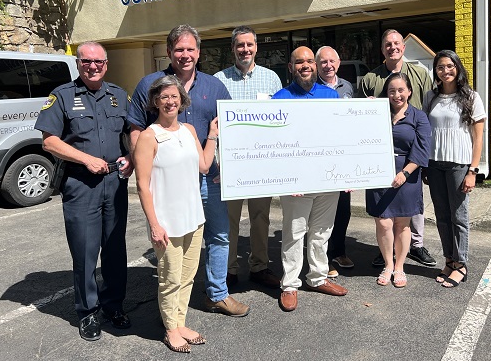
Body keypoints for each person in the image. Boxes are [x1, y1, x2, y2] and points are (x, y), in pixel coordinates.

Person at [128, 24, 250, 317]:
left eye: (190, 49)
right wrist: (144, 170)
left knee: (218, 236)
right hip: (169, 181)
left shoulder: (214, 86)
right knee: (171, 240)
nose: (185, 55)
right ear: (169, 52)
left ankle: (217, 294)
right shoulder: (149, 84)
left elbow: (229, 130)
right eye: (179, 49)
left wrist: (229, 166)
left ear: (199, 52)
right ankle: (173, 307)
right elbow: (135, 129)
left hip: (208, 176)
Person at [34, 41, 132, 341]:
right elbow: (49, 142)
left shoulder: (118, 95)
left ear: (106, 64)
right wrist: (86, 159)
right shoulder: (61, 96)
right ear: (78, 63)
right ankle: (88, 312)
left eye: (98, 62)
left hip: (115, 183)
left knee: (115, 249)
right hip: (80, 184)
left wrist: (131, 156)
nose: (93, 66)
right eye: (86, 61)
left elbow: (133, 132)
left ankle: (113, 305)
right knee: (85, 252)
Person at [134, 75, 218, 353]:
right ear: (156, 101)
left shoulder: (190, 130)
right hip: (166, 222)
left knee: (188, 276)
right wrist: (154, 224)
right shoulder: (149, 136)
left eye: (175, 96)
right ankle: (171, 328)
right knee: (170, 277)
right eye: (164, 97)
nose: (170, 101)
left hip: (193, 217)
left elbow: (204, 165)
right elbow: (142, 186)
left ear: (182, 100)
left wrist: (213, 136)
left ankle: (180, 323)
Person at [272, 46, 348, 312]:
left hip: (328, 178)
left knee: (321, 232)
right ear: (291, 67)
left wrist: (347, 172)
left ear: (315, 66)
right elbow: (275, 144)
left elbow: (341, 137)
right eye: (299, 62)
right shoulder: (280, 99)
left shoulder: (331, 96)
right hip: (297, 183)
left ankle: (317, 277)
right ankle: (290, 284)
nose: (305, 65)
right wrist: (285, 179)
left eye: (309, 61)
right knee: (294, 233)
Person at [359, 29, 436, 268]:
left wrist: (423, 157)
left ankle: (416, 245)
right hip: (381, 152)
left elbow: (428, 109)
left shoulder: (420, 74)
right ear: (382, 50)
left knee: (412, 205)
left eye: (396, 44)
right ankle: (387, 251)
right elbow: (360, 116)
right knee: (384, 212)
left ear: (403, 47)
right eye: (387, 45)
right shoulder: (371, 78)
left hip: (411, 148)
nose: (393, 47)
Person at [214, 26, 283, 289]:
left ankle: (259, 267)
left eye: (249, 45)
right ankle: (228, 270)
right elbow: (214, 124)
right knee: (227, 221)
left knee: (260, 218)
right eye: (240, 45)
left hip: (260, 165)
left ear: (256, 47)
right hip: (229, 166)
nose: (245, 50)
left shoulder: (272, 79)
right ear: (233, 48)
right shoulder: (219, 80)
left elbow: (279, 121)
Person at [422, 50, 486, 288]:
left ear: (457, 68)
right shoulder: (430, 97)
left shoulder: (470, 96)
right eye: (440, 67)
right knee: (442, 216)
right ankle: (448, 259)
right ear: (435, 71)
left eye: (450, 66)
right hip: (434, 164)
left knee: (459, 217)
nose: (445, 71)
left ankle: (461, 264)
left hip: (459, 165)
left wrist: (473, 171)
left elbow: (478, 138)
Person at [367, 73, 431, 288]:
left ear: (409, 92)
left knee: (403, 225)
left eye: (401, 90)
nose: (396, 95)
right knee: (383, 223)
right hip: (378, 172)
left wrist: (404, 173)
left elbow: (422, 150)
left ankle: (400, 266)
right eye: (392, 90)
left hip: (407, 174)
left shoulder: (418, 117)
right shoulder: (377, 113)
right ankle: (388, 264)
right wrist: (364, 109)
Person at [315, 45, 355, 278]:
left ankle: (339, 251)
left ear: (338, 63)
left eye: (332, 61)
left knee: (343, 209)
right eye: (323, 62)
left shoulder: (347, 87)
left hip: (344, 158)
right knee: (322, 211)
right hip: (321, 157)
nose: (328, 66)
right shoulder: (313, 87)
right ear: (317, 65)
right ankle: (325, 258)